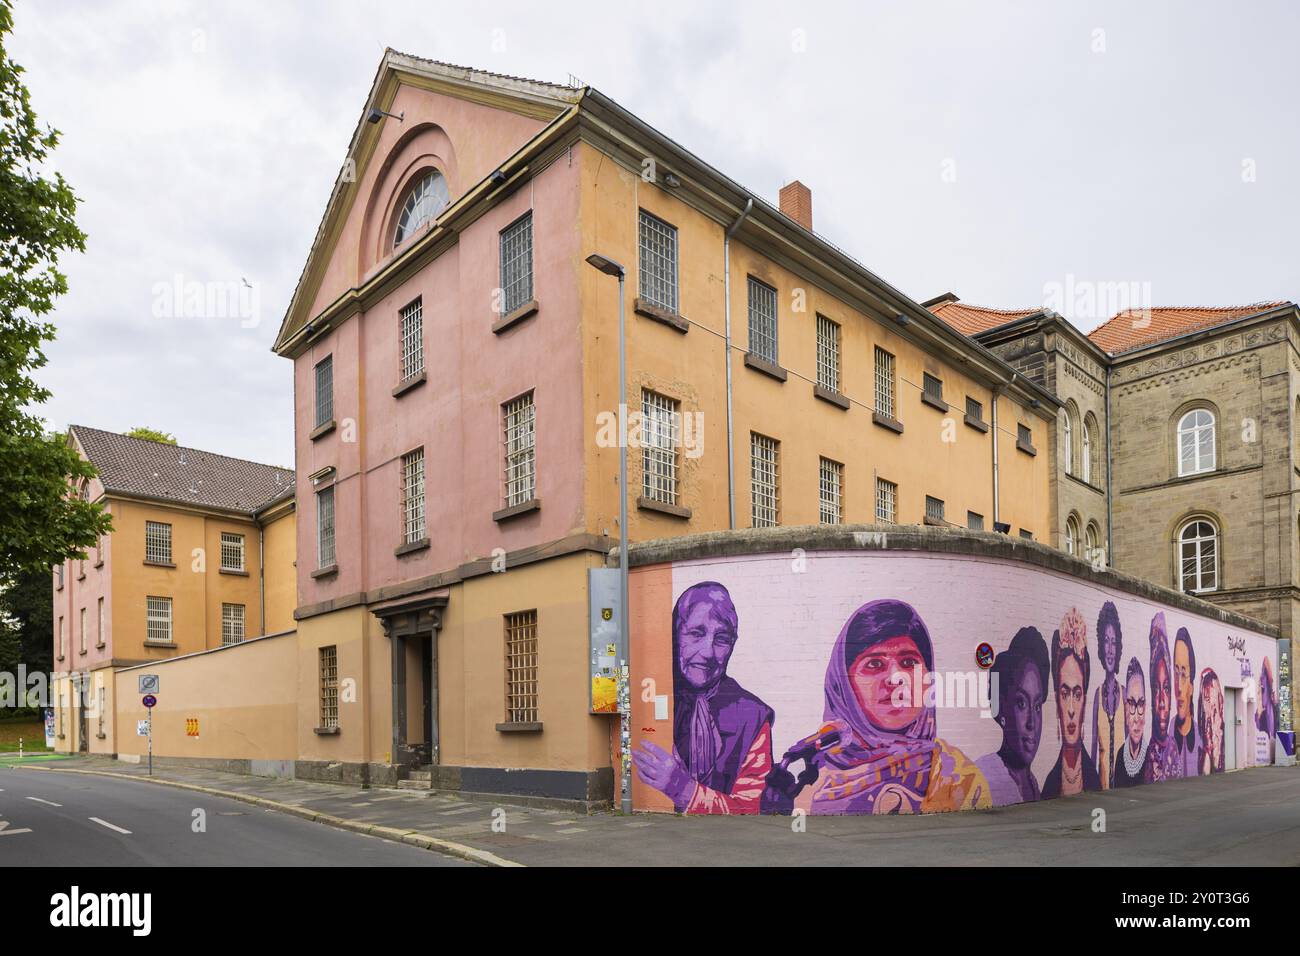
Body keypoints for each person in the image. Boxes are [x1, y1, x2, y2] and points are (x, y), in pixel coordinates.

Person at [781, 599, 989, 815]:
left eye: (908, 663)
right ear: (843, 686)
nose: (895, 678)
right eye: (874, 664)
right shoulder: (809, 775)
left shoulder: (958, 777)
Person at [632, 581, 775, 814]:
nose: (708, 652)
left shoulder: (753, 715)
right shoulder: (654, 698)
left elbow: (749, 810)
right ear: (675, 636)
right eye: (696, 633)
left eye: (721, 639)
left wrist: (683, 790)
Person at [975, 627, 1049, 805]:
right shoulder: (981, 779)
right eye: (1021, 704)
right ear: (1001, 709)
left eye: (1037, 706)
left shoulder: (1031, 783)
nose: (1032, 722)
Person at [1042, 609, 1102, 797]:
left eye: (1077, 695)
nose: (1070, 710)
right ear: (1056, 700)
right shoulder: (1048, 786)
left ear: (1085, 702)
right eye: (1064, 693)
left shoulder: (1094, 780)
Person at [1143, 613, 1181, 783]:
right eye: (1156, 689)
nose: (1162, 702)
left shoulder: (1174, 750)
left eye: (1166, 688)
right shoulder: (1146, 757)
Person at [1091, 602, 1123, 790]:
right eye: (1106, 641)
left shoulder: (1125, 694)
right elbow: (1094, 749)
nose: (1110, 650)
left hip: (1122, 784)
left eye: (1113, 642)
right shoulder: (1097, 695)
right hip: (1101, 788)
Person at [1112, 656, 1148, 787]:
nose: (1137, 717)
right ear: (1126, 709)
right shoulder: (1121, 758)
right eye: (1132, 703)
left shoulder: (1151, 758)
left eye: (1141, 703)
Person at [1171, 627, 1199, 777]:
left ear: (1192, 687)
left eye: (1183, 674)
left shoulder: (1200, 740)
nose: (1179, 687)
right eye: (1176, 673)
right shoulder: (1168, 733)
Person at [1197, 668, 1225, 775]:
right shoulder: (1200, 734)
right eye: (1207, 698)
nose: (1212, 704)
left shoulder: (1223, 732)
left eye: (1216, 697)